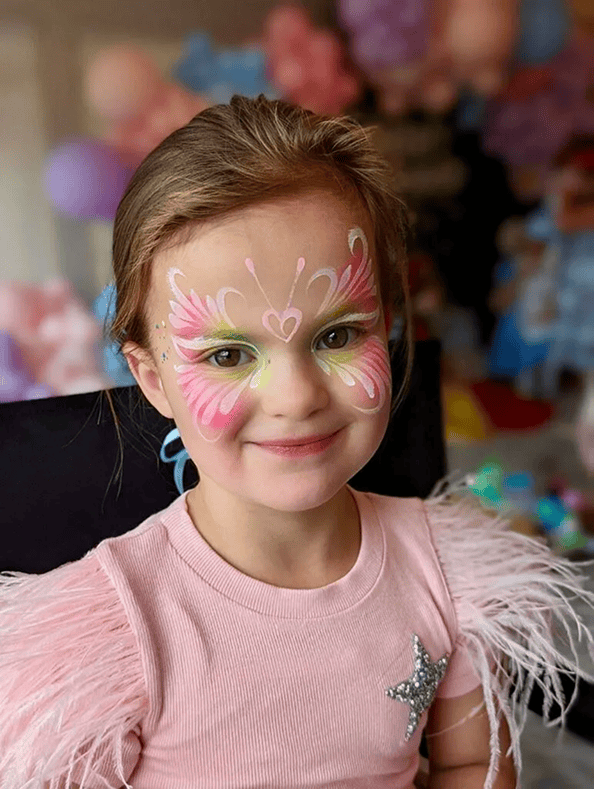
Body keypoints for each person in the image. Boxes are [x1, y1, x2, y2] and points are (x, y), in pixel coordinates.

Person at [1, 96, 593, 789]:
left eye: (336, 335)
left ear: (387, 327)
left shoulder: (447, 570)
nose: (297, 396)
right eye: (228, 355)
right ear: (153, 377)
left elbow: (470, 762)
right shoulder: (116, 633)